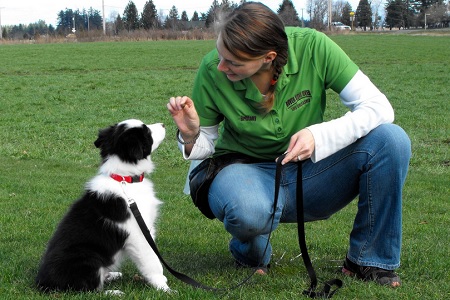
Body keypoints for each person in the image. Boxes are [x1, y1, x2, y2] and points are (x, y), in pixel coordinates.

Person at [167, 2, 410, 288]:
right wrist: (192, 134)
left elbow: (378, 107)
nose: (221, 66)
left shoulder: (314, 47)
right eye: (221, 55)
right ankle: (251, 252)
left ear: (268, 57)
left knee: (391, 140)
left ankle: (368, 260)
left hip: (310, 171)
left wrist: (319, 136)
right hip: (243, 172)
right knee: (249, 210)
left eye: (233, 62)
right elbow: (205, 146)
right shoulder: (212, 70)